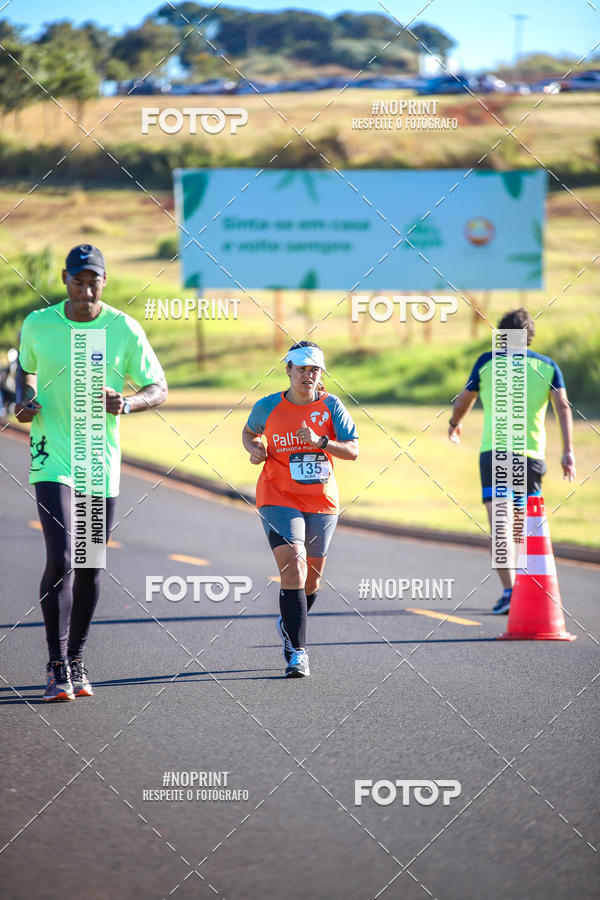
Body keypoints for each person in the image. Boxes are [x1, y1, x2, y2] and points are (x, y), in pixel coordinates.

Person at [15, 244, 167, 701]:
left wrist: (129, 402)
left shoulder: (122, 329)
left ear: (104, 281)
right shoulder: (38, 323)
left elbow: (158, 387)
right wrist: (24, 401)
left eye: (93, 281)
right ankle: (56, 663)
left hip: (97, 462)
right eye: (77, 280)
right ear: (65, 279)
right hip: (51, 456)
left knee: (90, 566)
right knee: (61, 556)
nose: (85, 289)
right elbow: (25, 371)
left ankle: (77, 658)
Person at [242, 341, 358, 677]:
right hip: (277, 495)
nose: (308, 374)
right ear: (288, 369)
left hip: (321, 500)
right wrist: (255, 449)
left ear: (320, 373)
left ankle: (289, 620)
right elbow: (250, 433)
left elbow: (352, 450)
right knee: (294, 567)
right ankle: (298, 651)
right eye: (302, 368)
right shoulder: (268, 406)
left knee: (311, 580)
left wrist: (321, 442)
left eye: (314, 369)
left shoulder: (331, 406)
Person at [448, 308, 575, 614]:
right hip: (529, 456)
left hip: (494, 455)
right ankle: (528, 590)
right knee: (523, 525)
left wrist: (455, 422)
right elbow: (563, 407)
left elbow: (465, 399)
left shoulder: (487, 362)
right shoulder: (547, 366)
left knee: (500, 526)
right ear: (529, 336)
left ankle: (509, 591)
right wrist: (568, 451)